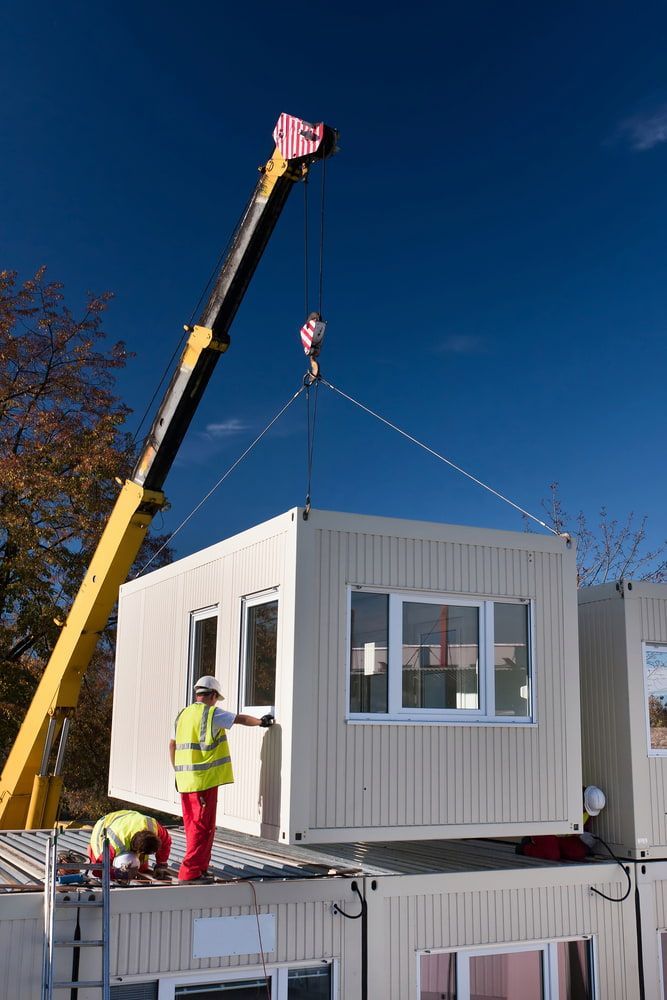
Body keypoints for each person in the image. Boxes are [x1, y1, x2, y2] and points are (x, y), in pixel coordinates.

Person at [169, 675, 275, 884]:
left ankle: (199, 869)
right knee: (203, 828)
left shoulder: (182, 715)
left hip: (185, 782)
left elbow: (172, 745)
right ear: (213, 695)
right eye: (217, 698)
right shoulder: (210, 714)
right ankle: (189, 873)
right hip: (203, 782)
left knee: (193, 827)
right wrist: (262, 722)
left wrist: (179, 771)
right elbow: (240, 719)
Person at [517, 785, 607, 862]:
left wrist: (585, 837)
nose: (585, 811)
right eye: (585, 808)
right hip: (545, 830)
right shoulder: (562, 800)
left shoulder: (588, 812)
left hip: (561, 837)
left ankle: (554, 849)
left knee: (579, 852)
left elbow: (577, 830)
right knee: (551, 855)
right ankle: (525, 847)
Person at [87, 809, 172, 878]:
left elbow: (166, 842)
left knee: (140, 869)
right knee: (102, 867)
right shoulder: (115, 844)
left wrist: (161, 865)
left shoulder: (154, 828)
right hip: (104, 826)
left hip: (127, 818)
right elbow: (98, 870)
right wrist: (116, 874)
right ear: (137, 850)